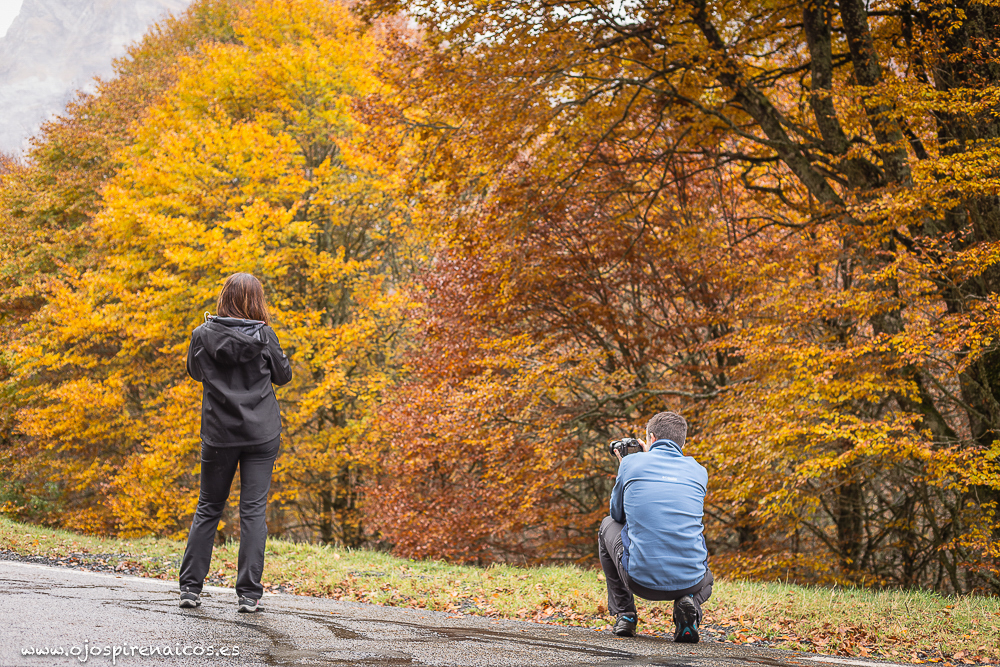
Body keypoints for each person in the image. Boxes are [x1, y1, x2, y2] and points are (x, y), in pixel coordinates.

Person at [178, 273, 292, 613]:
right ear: (257, 301)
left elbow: (195, 372)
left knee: (209, 506)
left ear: (224, 297)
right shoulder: (264, 335)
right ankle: (249, 595)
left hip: (219, 435)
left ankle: (190, 589)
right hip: (261, 434)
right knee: (253, 511)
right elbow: (283, 377)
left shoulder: (202, 335)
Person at [599, 411, 712, 641]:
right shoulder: (699, 471)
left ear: (651, 437)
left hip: (639, 581)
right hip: (690, 581)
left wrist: (627, 466)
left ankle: (626, 615)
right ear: (683, 442)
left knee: (606, 525)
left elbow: (617, 515)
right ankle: (689, 608)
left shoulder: (631, 463)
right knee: (706, 577)